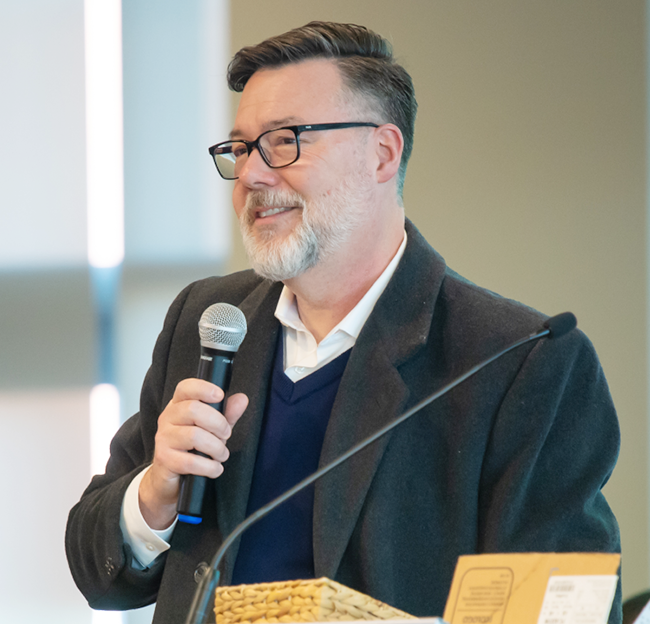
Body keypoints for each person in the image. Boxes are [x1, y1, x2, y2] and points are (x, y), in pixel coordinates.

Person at [66, 21, 621, 624]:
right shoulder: (208, 320)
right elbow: (99, 575)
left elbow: (562, 612)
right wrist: (154, 495)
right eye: (242, 148)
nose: (253, 174)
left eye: (284, 141)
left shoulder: (518, 362)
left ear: (382, 153)